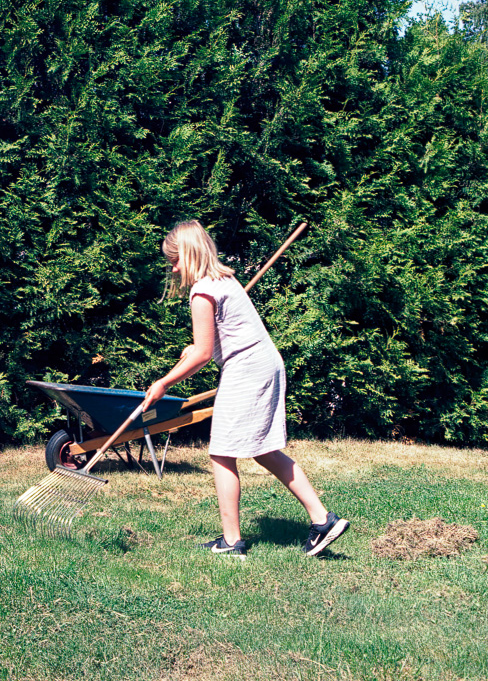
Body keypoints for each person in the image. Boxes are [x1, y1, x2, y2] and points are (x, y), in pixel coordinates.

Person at [136, 220, 349, 557]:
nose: (173, 268)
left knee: (221, 451)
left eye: (174, 260)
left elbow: (205, 353)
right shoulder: (224, 279)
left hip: (248, 369)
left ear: (188, 256)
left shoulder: (202, 291)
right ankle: (323, 520)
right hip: (263, 363)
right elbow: (220, 337)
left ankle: (233, 542)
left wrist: (163, 382)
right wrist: (197, 349)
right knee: (262, 448)